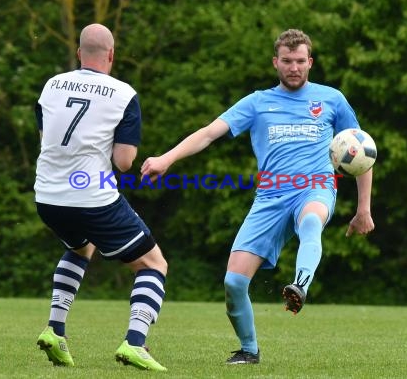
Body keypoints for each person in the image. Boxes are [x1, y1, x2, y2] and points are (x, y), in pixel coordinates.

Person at [141, 29, 374, 364]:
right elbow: (209, 133)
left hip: (315, 186)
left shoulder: (332, 100)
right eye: (287, 61)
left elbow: (362, 151)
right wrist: (166, 159)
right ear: (275, 62)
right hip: (270, 197)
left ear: (310, 62)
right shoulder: (257, 102)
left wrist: (363, 209)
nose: (294, 67)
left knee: (312, 221)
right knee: (234, 282)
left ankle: (300, 285)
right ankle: (249, 350)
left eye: (300, 61)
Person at [33, 23, 168, 371]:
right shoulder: (123, 93)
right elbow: (124, 163)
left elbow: (47, 138)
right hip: (90, 196)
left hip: (47, 194)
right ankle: (136, 343)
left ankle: (54, 331)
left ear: (79, 53)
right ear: (111, 55)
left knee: (81, 247)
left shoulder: (51, 86)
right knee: (154, 264)